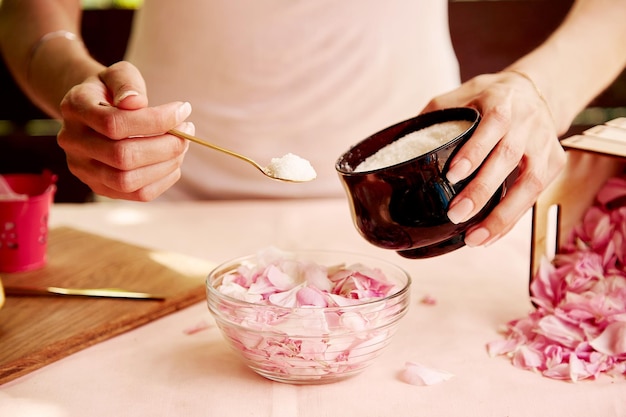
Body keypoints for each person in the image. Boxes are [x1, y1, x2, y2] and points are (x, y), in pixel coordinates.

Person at [0, 0, 625, 249]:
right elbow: (29, 13)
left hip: (426, 213)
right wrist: (75, 88)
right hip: (159, 214)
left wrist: (540, 88)